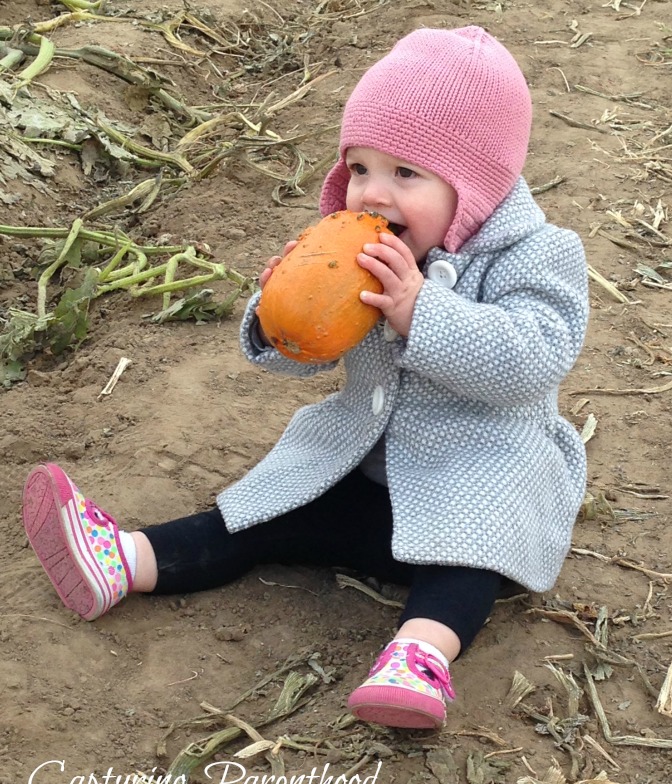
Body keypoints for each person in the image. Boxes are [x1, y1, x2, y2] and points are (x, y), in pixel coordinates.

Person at [22, 26, 589, 731]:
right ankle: (126, 560)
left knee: (471, 560)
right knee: (265, 509)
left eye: (405, 174)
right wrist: (278, 317)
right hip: (366, 478)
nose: (372, 193)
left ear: (473, 184)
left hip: (479, 480)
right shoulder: (356, 249)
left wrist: (424, 313)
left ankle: (417, 659)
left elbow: (534, 357)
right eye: (359, 167)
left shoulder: (538, 254)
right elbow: (310, 355)